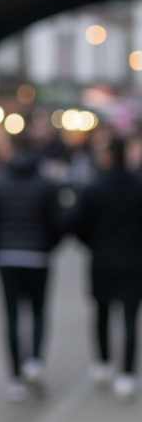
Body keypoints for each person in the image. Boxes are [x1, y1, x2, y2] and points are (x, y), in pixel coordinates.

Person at [0, 136, 63, 400]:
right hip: (38, 257)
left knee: (11, 317)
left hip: (7, 257)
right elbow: (59, 223)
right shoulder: (46, 183)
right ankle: (34, 361)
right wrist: (47, 248)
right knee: (38, 312)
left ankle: (15, 379)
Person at [74, 137, 142, 401]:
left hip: (102, 260)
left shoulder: (94, 189)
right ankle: (126, 373)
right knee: (129, 318)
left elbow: (78, 226)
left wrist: (93, 244)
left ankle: (102, 363)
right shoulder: (138, 187)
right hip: (134, 262)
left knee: (101, 313)